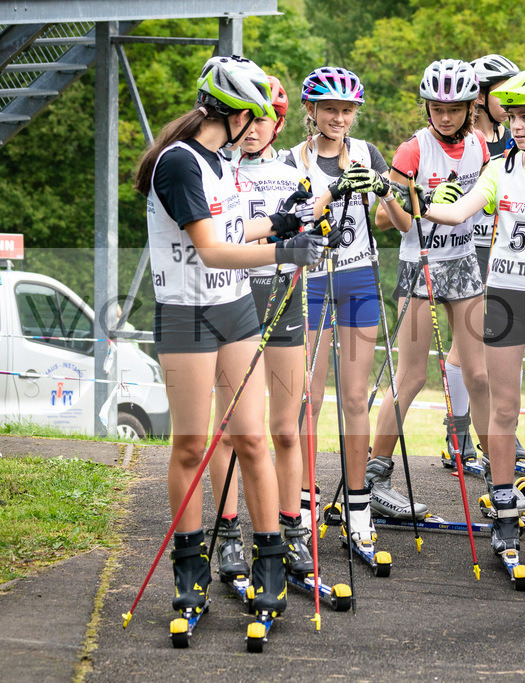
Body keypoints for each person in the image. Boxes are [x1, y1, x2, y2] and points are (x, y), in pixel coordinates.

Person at [133, 55, 325, 620]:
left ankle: (270, 562)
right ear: (236, 115)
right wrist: (285, 251)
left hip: (235, 309)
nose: (256, 127)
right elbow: (211, 250)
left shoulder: (223, 161)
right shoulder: (179, 163)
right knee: (192, 446)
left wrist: (283, 222)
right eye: (253, 116)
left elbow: (233, 227)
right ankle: (189, 570)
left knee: (252, 439)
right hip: (187, 314)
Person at [424, 68, 525, 560]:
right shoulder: (499, 169)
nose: (516, 125)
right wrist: (424, 200)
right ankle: (505, 506)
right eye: (512, 116)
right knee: (504, 408)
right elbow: (457, 212)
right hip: (506, 295)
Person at [206, 75, 317, 584]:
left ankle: (291, 530)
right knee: (231, 427)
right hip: (234, 298)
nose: (252, 129)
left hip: (282, 296)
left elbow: (312, 232)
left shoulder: (294, 172)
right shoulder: (216, 168)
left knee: (286, 427)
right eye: (247, 118)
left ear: (278, 125)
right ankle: (229, 532)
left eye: (265, 119)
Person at [287, 66, 403, 554]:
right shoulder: (291, 159)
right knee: (308, 400)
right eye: (329, 109)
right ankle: (303, 504)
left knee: (355, 399)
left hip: (357, 280)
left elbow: (402, 222)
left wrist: (385, 188)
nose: (338, 118)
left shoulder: (367, 153)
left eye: (347, 110)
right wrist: (331, 192)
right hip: (310, 283)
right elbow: (291, 222)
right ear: (310, 110)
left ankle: (358, 507)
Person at [370, 59, 491, 519]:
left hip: (463, 263)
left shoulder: (480, 146)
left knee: (479, 375)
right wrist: (420, 200)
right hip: (419, 265)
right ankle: (375, 478)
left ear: (470, 108)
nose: (444, 116)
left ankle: (496, 474)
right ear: (427, 108)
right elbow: (386, 220)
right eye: (437, 108)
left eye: (454, 109)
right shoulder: (412, 150)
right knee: (412, 376)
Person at [437, 54, 521, 466]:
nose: (512, 101)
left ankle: (493, 437)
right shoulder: (468, 139)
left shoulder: (513, 135)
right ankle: (458, 435)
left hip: (503, 249)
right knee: (468, 342)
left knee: (491, 345)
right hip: (469, 248)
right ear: (482, 97)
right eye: (503, 92)